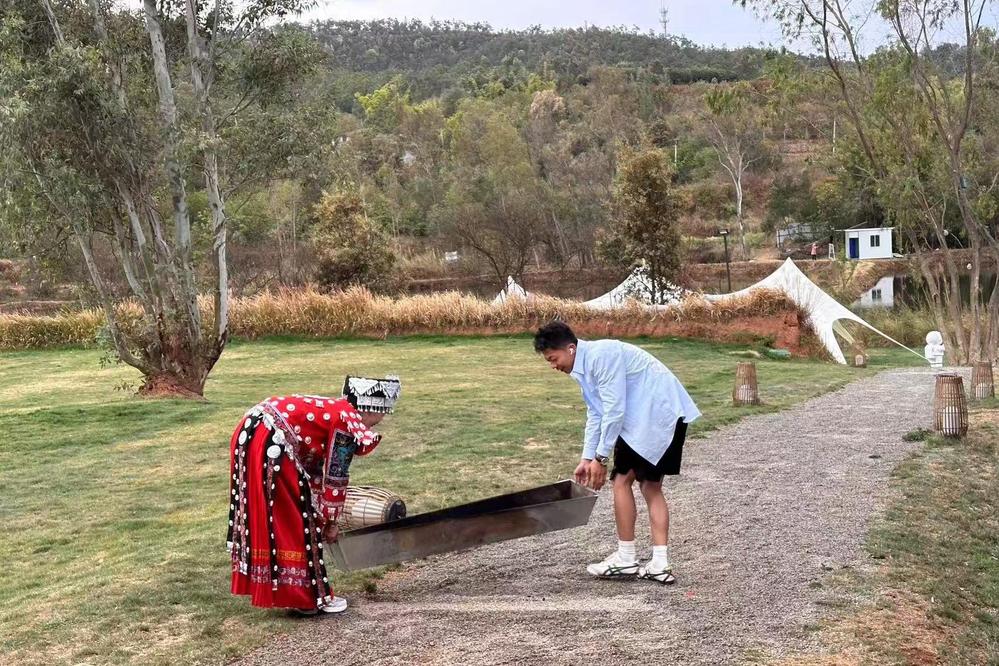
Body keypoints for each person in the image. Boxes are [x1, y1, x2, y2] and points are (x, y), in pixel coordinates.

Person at [534, 322, 700, 584]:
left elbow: (614, 410)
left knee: (624, 481)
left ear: (571, 348)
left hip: (657, 415)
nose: (553, 366)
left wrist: (601, 458)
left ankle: (628, 559)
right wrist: (587, 458)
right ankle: (657, 564)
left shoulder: (602, 356)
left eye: (553, 359)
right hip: (649, 416)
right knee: (648, 486)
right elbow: (596, 413)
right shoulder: (583, 367)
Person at [227, 375, 401, 615]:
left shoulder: (337, 410)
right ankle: (306, 598)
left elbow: (314, 469)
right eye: (382, 415)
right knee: (296, 518)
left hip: (253, 432)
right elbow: (335, 477)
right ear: (372, 409)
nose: (379, 422)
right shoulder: (346, 421)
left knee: (282, 516)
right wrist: (332, 522)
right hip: (272, 440)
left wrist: (322, 510)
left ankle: (290, 591)